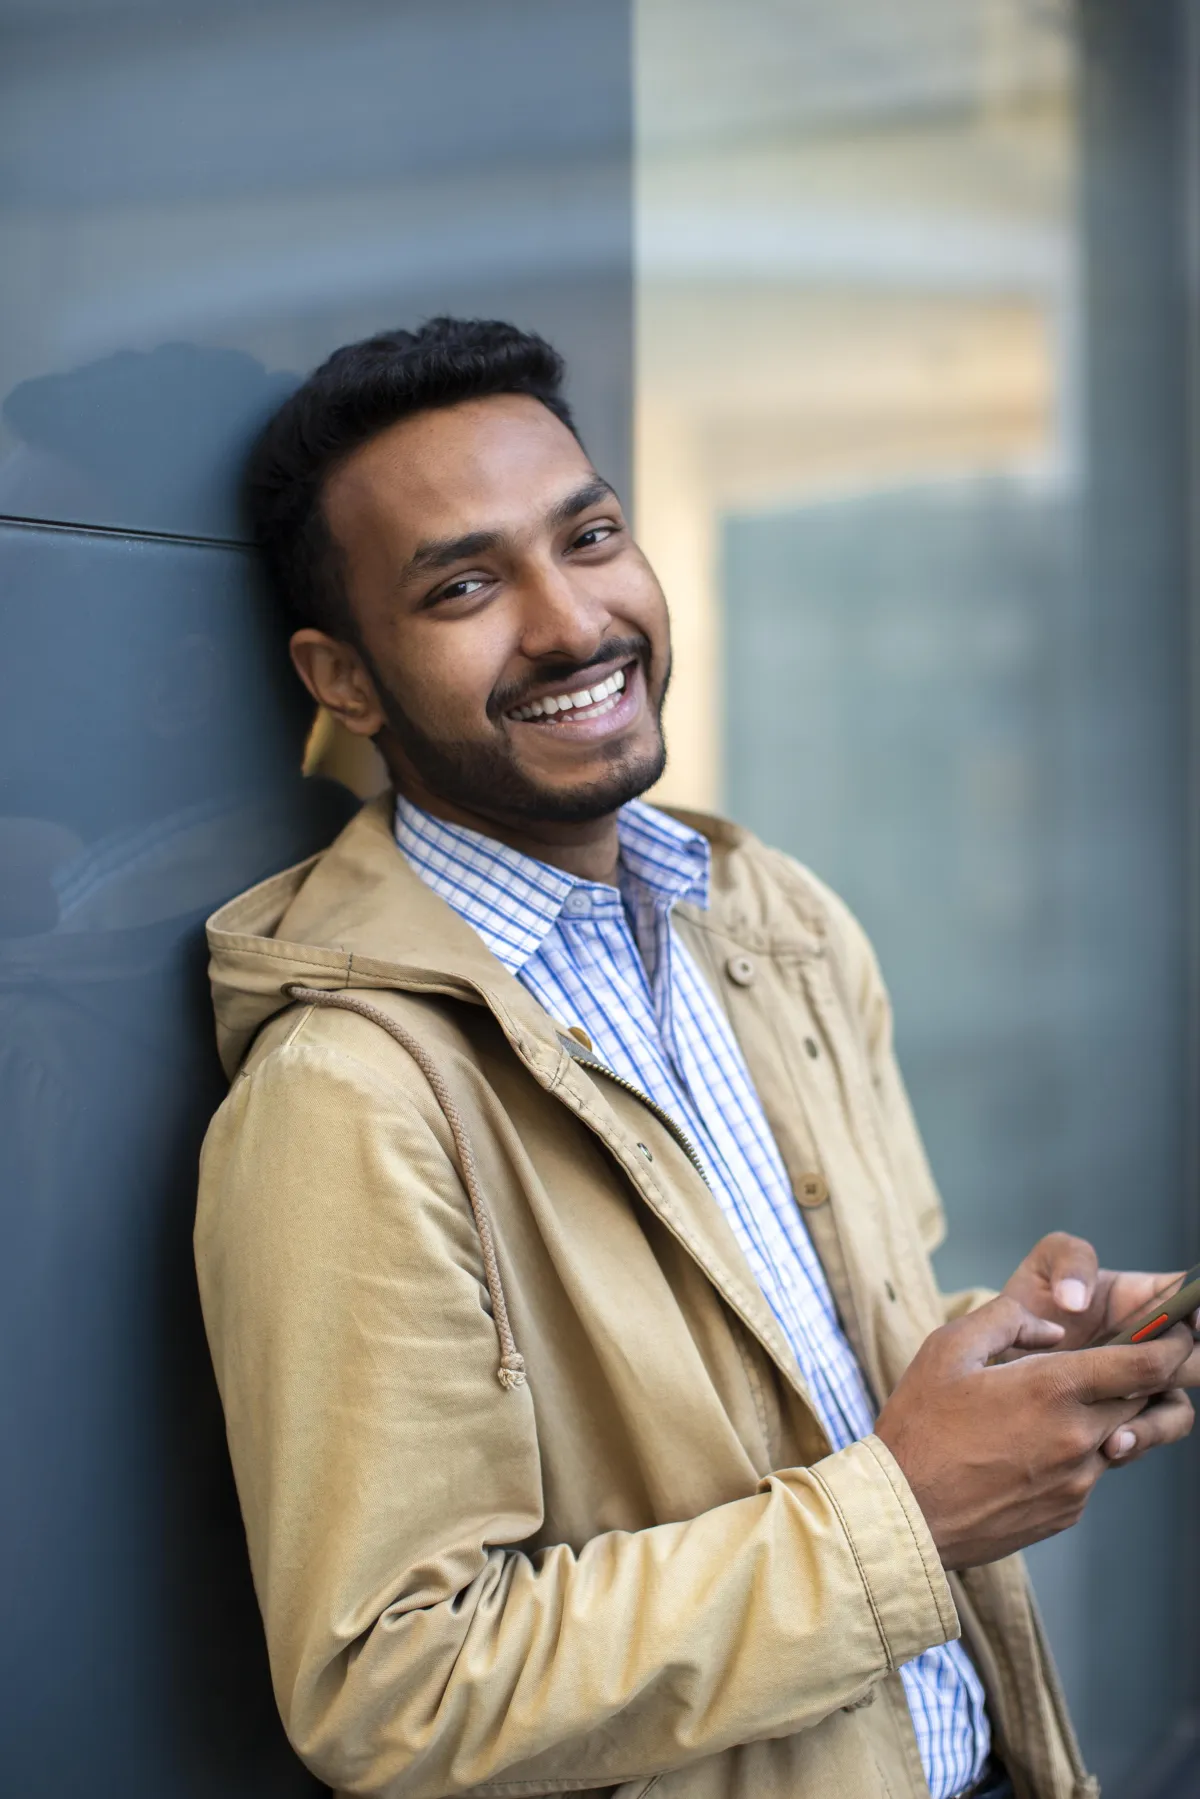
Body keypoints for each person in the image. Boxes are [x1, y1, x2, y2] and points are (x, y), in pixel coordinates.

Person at [194, 317, 1197, 1799]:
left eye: (588, 536)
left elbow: (814, 1372)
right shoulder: (348, 1097)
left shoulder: (776, 924)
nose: (568, 621)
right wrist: (908, 1511)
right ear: (343, 677)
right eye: (465, 584)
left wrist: (1025, 1364)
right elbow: (388, 1688)